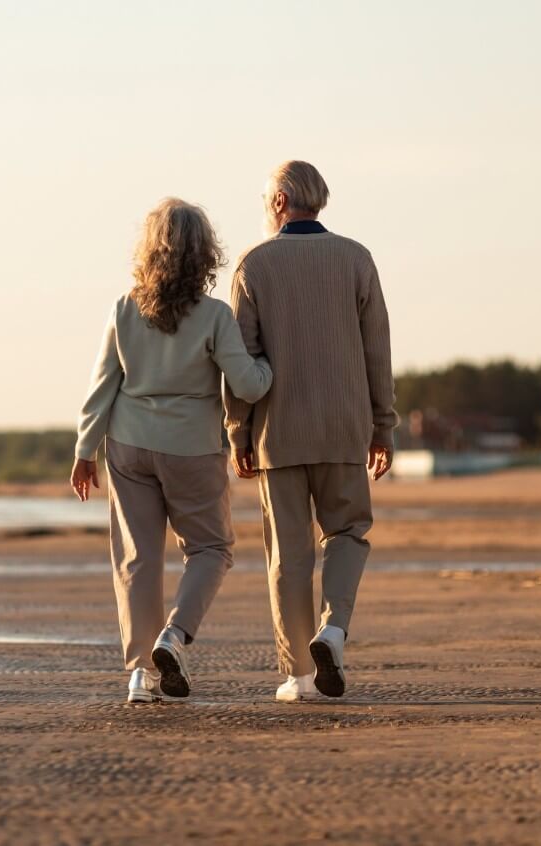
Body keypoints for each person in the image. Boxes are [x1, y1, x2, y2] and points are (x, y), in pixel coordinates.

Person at [72, 197, 272, 703]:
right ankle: (174, 636)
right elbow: (248, 386)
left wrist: (84, 450)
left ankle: (140, 674)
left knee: (137, 560)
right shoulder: (214, 316)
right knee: (211, 549)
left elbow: (102, 387)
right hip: (191, 448)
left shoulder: (124, 308)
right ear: (205, 254)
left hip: (129, 444)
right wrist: (270, 366)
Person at [224, 160, 397, 703]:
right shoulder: (356, 258)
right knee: (347, 533)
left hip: (279, 433)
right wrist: (383, 426)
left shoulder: (253, 265)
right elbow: (378, 351)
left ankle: (299, 675)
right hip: (345, 426)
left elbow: (241, 361)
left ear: (278, 202)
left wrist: (239, 435)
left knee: (289, 556)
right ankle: (335, 630)